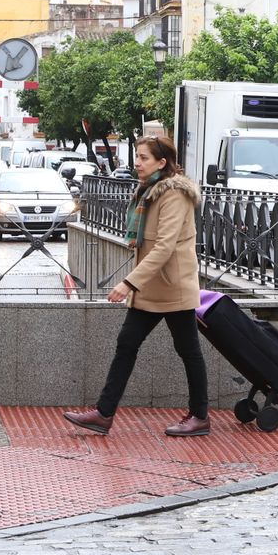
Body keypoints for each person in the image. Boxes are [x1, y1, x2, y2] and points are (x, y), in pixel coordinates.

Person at [65, 134, 209, 438]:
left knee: (188, 350)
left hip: (172, 286)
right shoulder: (149, 190)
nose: (137, 163)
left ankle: (199, 416)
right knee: (127, 343)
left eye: (144, 157)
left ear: (162, 162)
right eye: (138, 157)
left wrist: (129, 283)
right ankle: (103, 414)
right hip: (152, 286)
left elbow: (165, 246)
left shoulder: (174, 194)